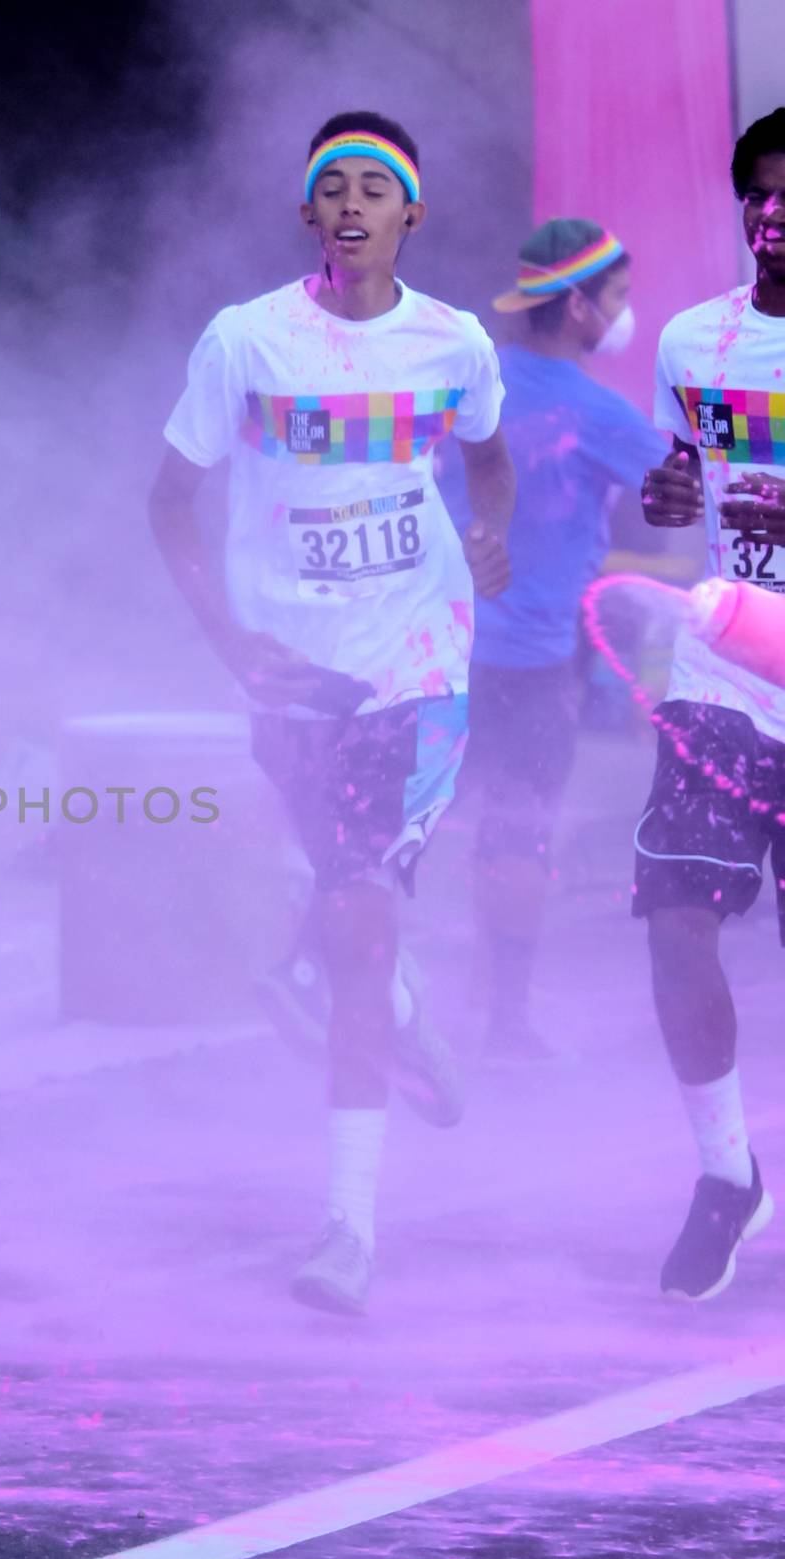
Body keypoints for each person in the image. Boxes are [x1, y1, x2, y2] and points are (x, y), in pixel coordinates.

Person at [151, 112, 515, 1317]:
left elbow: (488, 454)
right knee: (350, 908)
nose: (352, 204)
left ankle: (347, 1228)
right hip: (292, 679)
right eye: (331, 188)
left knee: (356, 912)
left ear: (413, 214)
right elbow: (171, 504)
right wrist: (224, 637)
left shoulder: (452, 343)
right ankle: (396, 1008)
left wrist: (493, 530)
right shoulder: (245, 342)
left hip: (416, 668)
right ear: (307, 214)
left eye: (376, 188)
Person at [445, 219, 666, 1061]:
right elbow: (685, 498)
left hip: (435, 648)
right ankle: (505, 1019)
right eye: (616, 298)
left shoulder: (467, 381)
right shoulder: (596, 413)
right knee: (519, 830)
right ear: (576, 307)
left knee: (414, 823)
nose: (624, 313)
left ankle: (349, 980)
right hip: (529, 664)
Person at [637, 107, 785, 1301]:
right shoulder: (695, 339)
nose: (773, 216)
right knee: (676, 908)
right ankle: (723, 1173)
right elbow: (680, 499)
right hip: (723, 665)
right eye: (758, 195)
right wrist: (669, 495)